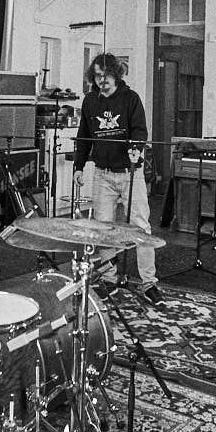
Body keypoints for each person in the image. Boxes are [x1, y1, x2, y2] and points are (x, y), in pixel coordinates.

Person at [72, 53, 161, 305]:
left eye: (106, 75)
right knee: (103, 229)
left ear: (116, 74)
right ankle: (109, 279)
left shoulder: (131, 98)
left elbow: (140, 130)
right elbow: (83, 136)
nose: (102, 80)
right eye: (97, 76)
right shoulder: (90, 101)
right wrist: (79, 166)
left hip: (130, 174)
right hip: (102, 175)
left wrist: (136, 148)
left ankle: (149, 282)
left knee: (141, 227)